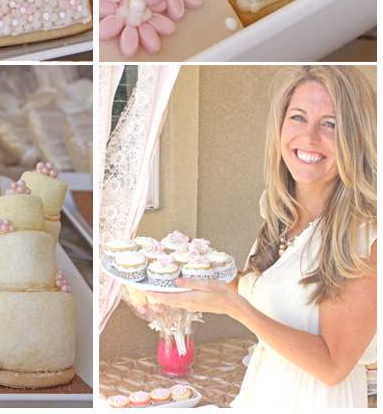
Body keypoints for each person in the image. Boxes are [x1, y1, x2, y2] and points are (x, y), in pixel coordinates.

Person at [146, 65, 376, 408]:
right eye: (298, 117)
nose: (310, 137)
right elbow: (266, 290)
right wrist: (181, 276)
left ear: (356, 137)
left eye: (330, 124)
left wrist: (234, 308)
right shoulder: (278, 209)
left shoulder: (365, 233)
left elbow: (333, 366)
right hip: (261, 395)